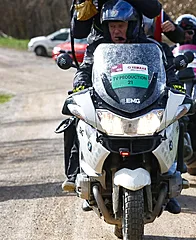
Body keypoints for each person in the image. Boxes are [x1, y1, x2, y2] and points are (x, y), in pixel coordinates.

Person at [61, 0, 184, 214]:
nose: (116, 30)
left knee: (179, 117)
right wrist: (79, 84)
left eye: (122, 25)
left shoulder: (150, 47)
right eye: (112, 25)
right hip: (108, 100)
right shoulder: (97, 47)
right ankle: (74, 176)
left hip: (142, 102)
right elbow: (86, 67)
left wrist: (175, 85)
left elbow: (166, 69)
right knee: (74, 118)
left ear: (133, 24)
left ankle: (175, 175)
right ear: (105, 25)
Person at [71, 0, 162, 44]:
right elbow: (79, 33)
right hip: (101, 45)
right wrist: (83, 3)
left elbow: (154, 10)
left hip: (135, 42)